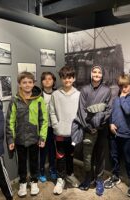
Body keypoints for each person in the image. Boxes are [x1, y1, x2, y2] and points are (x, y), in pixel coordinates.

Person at [6, 71, 48, 197]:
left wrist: (42, 137)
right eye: (24, 82)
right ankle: (23, 182)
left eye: (30, 82)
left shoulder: (39, 100)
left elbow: (44, 120)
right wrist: (10, 139)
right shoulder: (14, 100)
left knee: (34, 161)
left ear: (33, 83)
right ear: (20, 84)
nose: (27, 85)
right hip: (19, 138)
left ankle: (34, 181)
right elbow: (10, 121)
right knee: (22, 162)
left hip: (35, 138)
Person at [104, 74, 130, 197]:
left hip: (127, 134)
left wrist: (122, 98)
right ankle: (115, 177)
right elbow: (110, 113)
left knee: (128, 159)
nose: (123, 89)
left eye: (126, 86)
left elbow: (128, 110)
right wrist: (110, 124)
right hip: (114, 134)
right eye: (121, 86)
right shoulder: (116, 99)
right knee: (114, 157)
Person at [76, 65, 111, 196]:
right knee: (87, 156)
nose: (96, 74)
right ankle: (88, 177)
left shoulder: (107, 90)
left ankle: (99, 180)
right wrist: (89, 127)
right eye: (94, 72)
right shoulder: (84, 90)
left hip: (101, 129)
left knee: (100, 155)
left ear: (102, 75)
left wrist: (99, 122)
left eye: (99, 72)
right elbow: (81, 110)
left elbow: (108, 109)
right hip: (88, 129)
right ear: (91, 74)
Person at [49, 66, 80, 195]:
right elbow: (52, 112)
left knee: (71, 155)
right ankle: (60, 179)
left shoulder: (79, 94)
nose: (67, 80)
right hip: (60, 133)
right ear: (61, 79)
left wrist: (77, 129)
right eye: (64, 77)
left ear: (73, 78)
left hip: (73, 133)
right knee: (60, 156)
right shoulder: (55, 94)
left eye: (69, 77)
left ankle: (70, 174)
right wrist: (56, 126)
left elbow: (80, 113)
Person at [38, 71, 57, 182]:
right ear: (42, 82)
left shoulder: (58, 93)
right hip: (43, 128)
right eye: (45, 79)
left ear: (53, 81)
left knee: (53, 150)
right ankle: (41, 171)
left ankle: (53, 169)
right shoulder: (39, 95)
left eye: (50, 78)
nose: (47, 81)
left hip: (54, 127)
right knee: (43, 150)